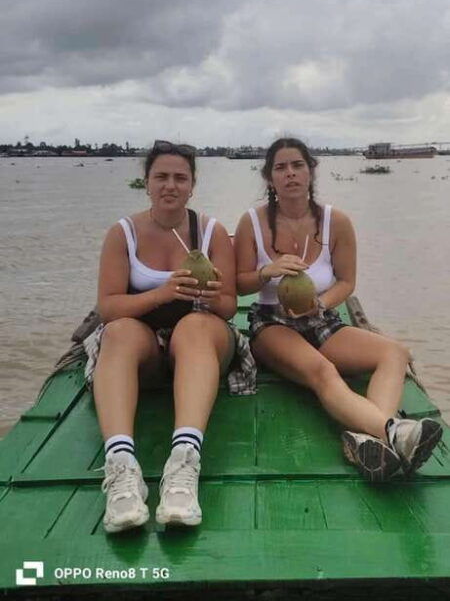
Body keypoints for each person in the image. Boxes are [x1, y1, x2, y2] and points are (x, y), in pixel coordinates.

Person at [234, 137, 442, 482]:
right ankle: (395, 431)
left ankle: (370, 437)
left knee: (395, 353)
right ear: (269, 178)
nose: (290, 174)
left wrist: (319, 304)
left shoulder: (337, 222)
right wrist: (265, 272)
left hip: (320, 318)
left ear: (311, 171)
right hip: (272, 323)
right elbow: (238, 284)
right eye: (280, 168)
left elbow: (346, 282)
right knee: (323, 371)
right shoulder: (251, 223)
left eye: (297, 165)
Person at [92, 140, 237, 533]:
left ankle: (184, 462)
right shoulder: (123, 233)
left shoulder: (211, 232)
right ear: (146, 183)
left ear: (192, 185)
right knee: (118, 332)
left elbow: (229, 307)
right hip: (147, 348)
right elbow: (107, 308)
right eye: (161, 177)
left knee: (193, 326)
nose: (170, 185)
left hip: (201, 344)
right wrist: (162, 293)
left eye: (180, 177)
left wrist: (210, 297)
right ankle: (122, 468)